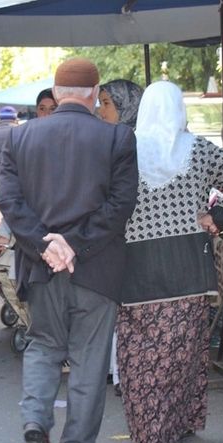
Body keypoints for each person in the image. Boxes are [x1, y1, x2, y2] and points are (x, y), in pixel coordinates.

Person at [0, 58, 139, 443]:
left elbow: (9, 201)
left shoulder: (18, 139)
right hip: (98, 269)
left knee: (43, 345)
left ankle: (35, 422)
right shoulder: (118, 138)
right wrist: (74, 244)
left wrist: (47, 245)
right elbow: (120, 205)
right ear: (95, 94)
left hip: (40, 268)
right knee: (89, 358)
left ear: (56, 95)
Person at [115, 81, 223, 443]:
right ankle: (179, 425)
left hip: (136, 269)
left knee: (139, 356)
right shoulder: (198, 150)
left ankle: (150, 440)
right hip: (188, 267)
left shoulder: (123, 149)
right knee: (184, 352)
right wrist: (218, 217)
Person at [96, 78, 144, 397]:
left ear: (127, 106)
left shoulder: (136, 144)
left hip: (133, 243)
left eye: (107, 104)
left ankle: (123, 372)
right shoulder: (114, 141)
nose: (100, 111)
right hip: (114, 241)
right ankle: (116, 370)